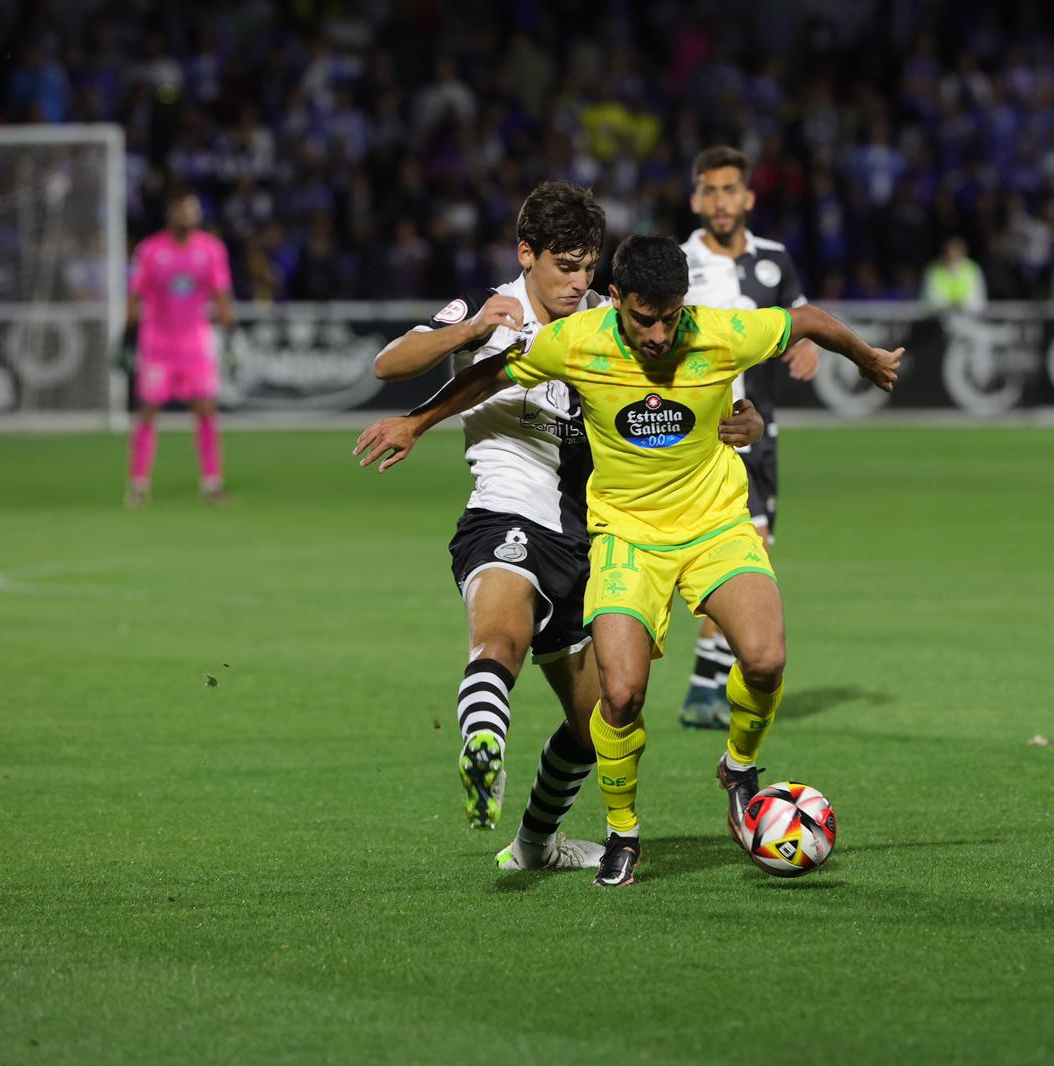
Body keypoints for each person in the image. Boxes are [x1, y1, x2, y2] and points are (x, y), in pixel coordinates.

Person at [354, 234, 902, 888]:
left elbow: (807, 320)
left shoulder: (719, 331)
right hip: (624, 536)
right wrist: (416, 424)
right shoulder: (577, 339)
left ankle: (739, 768)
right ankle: (623, 833)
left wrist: (865, 357)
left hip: (714, 525)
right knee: (618, 694)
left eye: (671, 316)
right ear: (616, 300)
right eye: (645, 317)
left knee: (766, 658)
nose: (660, 332)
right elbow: (492, 374)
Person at [366, 182, 766, 871]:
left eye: (589, 267)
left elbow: (699, 392)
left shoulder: (612, 324)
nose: (579, 282)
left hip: (595, 540)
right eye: (565, 266)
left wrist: (746, 422)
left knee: (596, 725)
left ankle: (534, 845)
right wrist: (463, 337)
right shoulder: (489, 307)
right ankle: (482, 746)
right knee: (499, 638)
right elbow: (388, 363)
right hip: (509, 513)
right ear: (527, 255)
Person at [677, 145, 819, 731]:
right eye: (709, 190)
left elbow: (800, 316)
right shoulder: (679, 262)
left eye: (730, 189)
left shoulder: (775, 260)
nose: (720, 201)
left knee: (754, 552)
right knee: (745, 553)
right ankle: (705, 688)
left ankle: (705, 688)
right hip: (709, 436)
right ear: (695, 199)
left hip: (763, 432)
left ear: (748, 197)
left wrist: (807, 343)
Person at [124, 188, 234, 506]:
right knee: (147, 414)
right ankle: (138, 484)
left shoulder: (211, 250)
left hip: (196, 347)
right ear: (170, 213)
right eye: (181, 209)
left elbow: (222, 296)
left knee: (206, 412)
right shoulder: (150, 250)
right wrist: (125, 336)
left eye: (191, 209)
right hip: (157, 346)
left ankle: (212, 483)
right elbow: (134, 297)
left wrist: (230, 335)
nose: (186, 214)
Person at [923, 236, 988, 312]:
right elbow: (931, 300)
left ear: (963, 253)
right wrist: (950, 305)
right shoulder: (933, 270)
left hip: (968, 317)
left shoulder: (973, 269)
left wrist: (960, 305)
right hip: (939, 318)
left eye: (956, 252)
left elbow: (978, 300)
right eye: (948, 252)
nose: (951, 255)